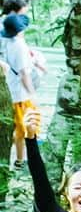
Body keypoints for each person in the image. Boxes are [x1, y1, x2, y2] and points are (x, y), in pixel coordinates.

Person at [2, 9, 36, 167]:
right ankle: (20, 160)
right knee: (22, 129)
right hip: (20, 94)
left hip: (11, 88)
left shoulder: (8, 42)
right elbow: (24, 74)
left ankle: (17, 158)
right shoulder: (20, 46)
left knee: (15, 127)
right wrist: (31, 93)